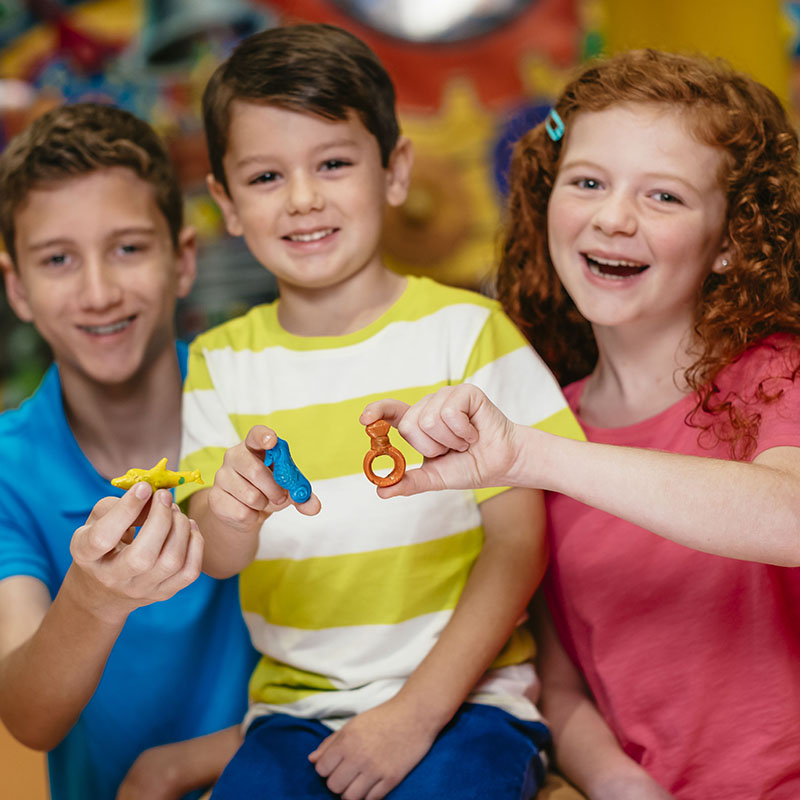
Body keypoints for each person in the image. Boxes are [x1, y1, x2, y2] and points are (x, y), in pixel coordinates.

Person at [361, 49, 800, 800]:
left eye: (663, 197)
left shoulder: (777, 375)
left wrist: (533, 456)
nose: (612, 217)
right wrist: (622, 785)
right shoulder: (542, 416)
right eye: (588, 182)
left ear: (729, 241)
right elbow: (560, 686)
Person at [177, 22, 585, 800]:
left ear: (395, 171)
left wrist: (416, 713)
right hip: (292, 714)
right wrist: (233, 512)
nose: (303, 200)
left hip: (469, 703)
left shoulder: (468, 332)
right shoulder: (218, 361)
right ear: (226, 204)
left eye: (333, 164)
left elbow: (519, 544)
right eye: (265, 178)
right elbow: (219, 555)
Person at [0, 103, 257, 800]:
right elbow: (27, 717)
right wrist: (92, 598)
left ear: (182, 260)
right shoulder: (7, 471)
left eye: (128, 248)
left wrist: (183, 765)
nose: (98, 291)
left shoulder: (257, 409)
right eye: (58, 259)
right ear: (17, 286)